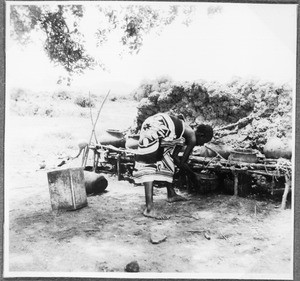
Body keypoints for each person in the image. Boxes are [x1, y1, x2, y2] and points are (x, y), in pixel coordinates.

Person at [132, 112, 213, 219]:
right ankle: (149, 208)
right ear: (201, 135)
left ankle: (171, 194)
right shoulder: (192, 138)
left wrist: (185, 171)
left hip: (155, 123)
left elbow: (175, 157)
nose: (202, 145)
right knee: (149, 164)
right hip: (154, 127)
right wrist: (194, 176)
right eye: (204, 141)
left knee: (167, 158)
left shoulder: (184, 133)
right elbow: (183, 162)